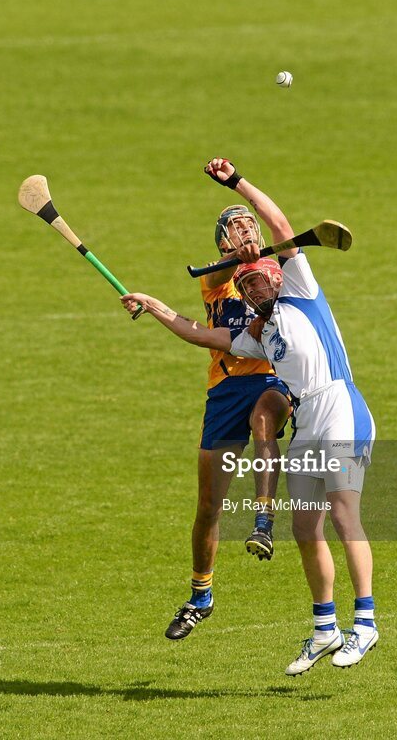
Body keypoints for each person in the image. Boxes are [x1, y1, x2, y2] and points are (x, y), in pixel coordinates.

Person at [122, 158, 378, 674]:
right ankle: (324, 627)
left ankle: (366, 624)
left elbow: (282, 229)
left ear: (277, 274)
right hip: (308, 425)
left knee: (345, 515)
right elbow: (200, 332)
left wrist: (238, 182)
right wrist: (152, 305)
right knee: (307, 528)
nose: (259, 287)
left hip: (342, 413)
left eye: (264, 278)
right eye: (251, 283)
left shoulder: (302, 292)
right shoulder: (256, 333)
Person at [162, 201, 293, 642]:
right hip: (224, 392)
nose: (243, 232)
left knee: (264, 421)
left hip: (272, 380)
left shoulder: (273, 274)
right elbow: (217, 279)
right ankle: (201, 595)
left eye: (247, 225)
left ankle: (263, 521)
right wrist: (230, 261)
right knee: (208, 508)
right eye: (233, 228)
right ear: (221, 241)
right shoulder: (216, 282)